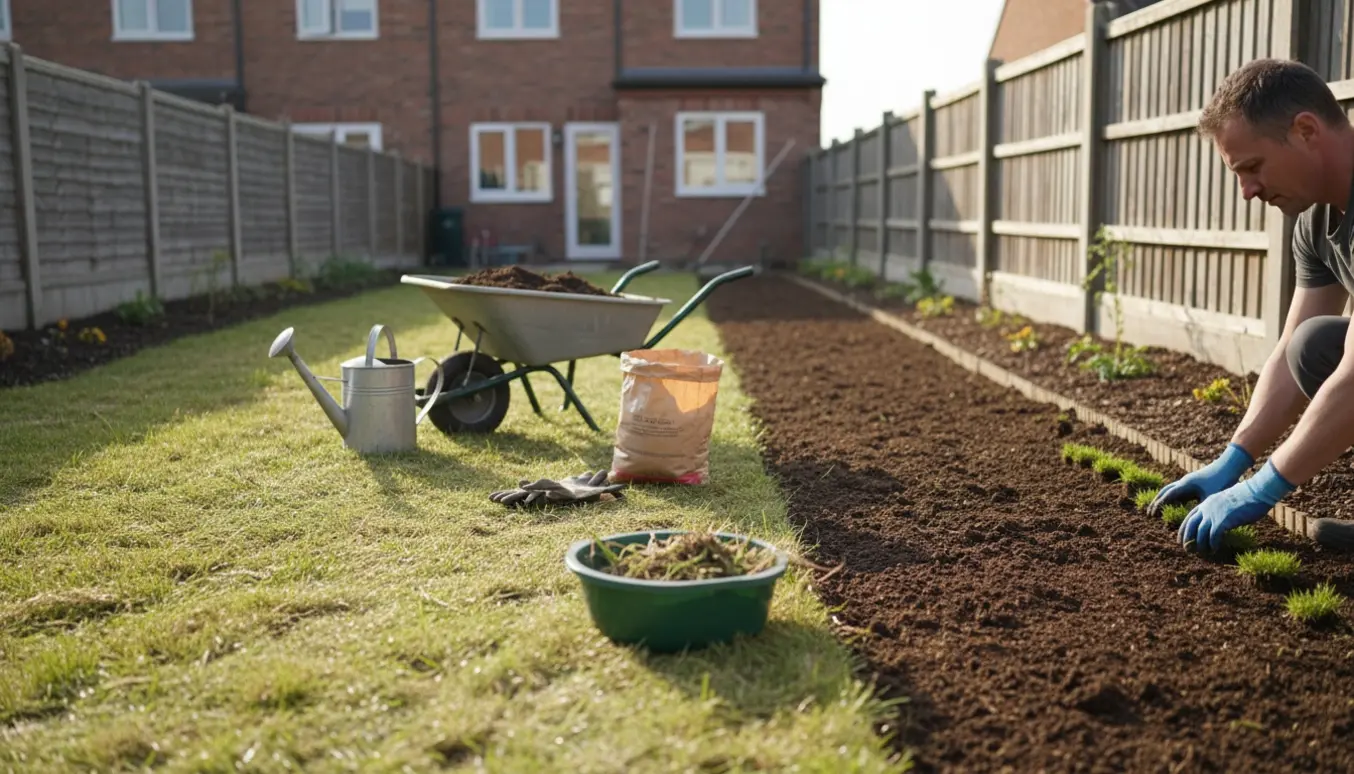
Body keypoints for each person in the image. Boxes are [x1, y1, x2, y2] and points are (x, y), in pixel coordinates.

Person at [1151, 57, 1354, 553]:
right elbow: (1288, 351)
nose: (1248, 191)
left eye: (1252, 167)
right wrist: (1234, 459)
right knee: (1312, 347)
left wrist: (1266, 487)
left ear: (1306, 130)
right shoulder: (1316, 222)